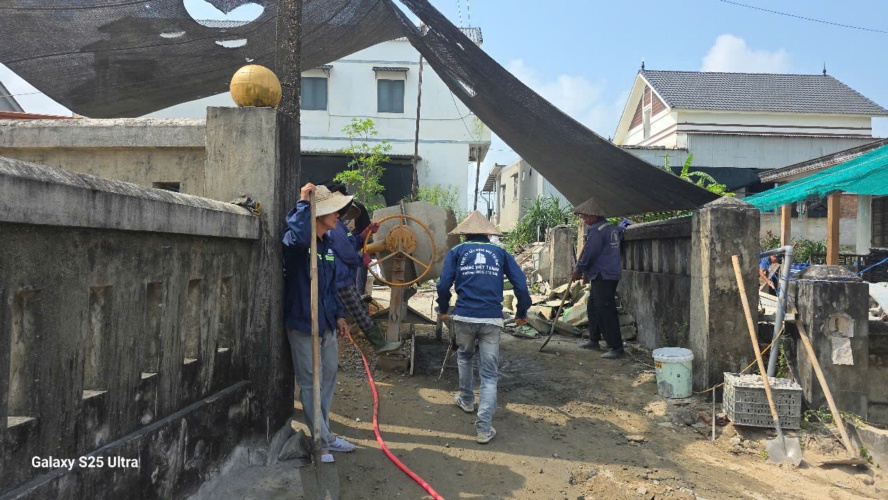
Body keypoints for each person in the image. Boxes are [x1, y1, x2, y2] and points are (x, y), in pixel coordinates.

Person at [436, 211, 531, 444]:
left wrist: (443, 308)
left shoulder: (457, 251)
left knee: (465, 356)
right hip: (491, 319)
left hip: (465, 316)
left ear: (465, 234)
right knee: (489, 375)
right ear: (488, 234)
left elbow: (443, 284)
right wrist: (521, 312)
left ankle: (467, 400)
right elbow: (521, 285)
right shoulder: (500, 252)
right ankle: (484, 428)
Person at [282, 182, 356, 463]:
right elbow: (299, 238)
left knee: (327, 377)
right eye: (334, 211)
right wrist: (304, 203)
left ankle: (324, 433)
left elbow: (330, 286)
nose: (339, 216)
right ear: (319, 213)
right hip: (304, 322)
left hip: (326, 322)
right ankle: (321, 442)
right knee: (310, 382)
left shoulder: (327, 244)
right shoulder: (298, 241)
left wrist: (339, 315)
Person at [324, 184, 400, 353]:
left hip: (342, 277)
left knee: (347, 314)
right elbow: (347, 253)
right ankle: (379, 344)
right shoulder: (335, 229)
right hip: (339, 278)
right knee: (358, 312)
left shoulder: (340, 225)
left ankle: (376, 344)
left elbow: (353, 242)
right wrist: (361, 259)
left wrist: (367, 232)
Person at [571, 201, 624, 359]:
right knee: (593, 305)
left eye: (585, 216)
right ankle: (594, 339)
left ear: (594, 215)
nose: (584, 219)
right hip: (606, 273)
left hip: (603, 274)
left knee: (605, 310)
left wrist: (579, 270)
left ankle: (616, 346)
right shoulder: (610, 228)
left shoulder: (596, 230)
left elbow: (590, 253)